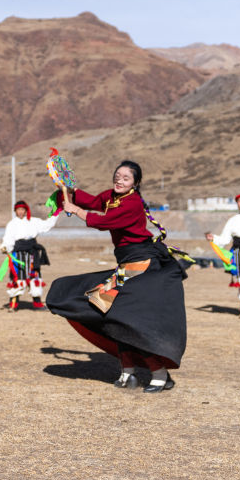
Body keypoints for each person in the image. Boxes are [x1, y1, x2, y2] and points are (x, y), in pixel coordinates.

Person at [47, 161, 187, 393]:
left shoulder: (132, 203)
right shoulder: (112, 196)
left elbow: (103, 222)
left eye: (126, 178)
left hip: (142, 265)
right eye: (117, 176)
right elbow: (92, 202)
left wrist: (78, 211)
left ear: (135, 183)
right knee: (105, 310)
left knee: (127, 317)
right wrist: (68, 190)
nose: (119, 180)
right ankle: (127, 372)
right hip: (126, 265)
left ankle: (159, 373)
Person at [0, 200, 57, 311]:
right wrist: (5, 247)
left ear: (26, 210)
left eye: (22, 209)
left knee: (34, 276)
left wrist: (55, 213)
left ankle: (37, 304)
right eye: (18, 210)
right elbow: (8, 239)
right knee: (18, 277)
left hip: (32, 253)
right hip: (18, 254)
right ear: (15, 211)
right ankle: (14, 303)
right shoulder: (12, 224)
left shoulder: (34, 221)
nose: (20, 212)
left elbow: (47, 224)